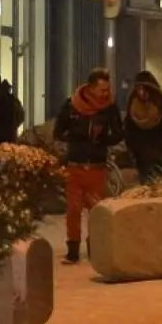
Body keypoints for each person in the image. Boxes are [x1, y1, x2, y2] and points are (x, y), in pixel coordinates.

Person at [52, 68, 124, 264]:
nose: (105, 93)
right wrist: (78, 135)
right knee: (73, 210)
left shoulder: (110, 108)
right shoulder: (72, 106)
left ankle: (96, 249)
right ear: (91, 88)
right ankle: (73, 250)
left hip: (97, 166)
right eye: (102, 89)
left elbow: (119, 133)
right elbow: (58, 132)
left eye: (107, 89)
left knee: (96, 210)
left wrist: (103, 139)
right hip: (75, 164)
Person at [123, 71, 162, 182]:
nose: (141, 92)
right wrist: (134, 153)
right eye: (139, 89)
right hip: (143, 161)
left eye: (145, 89)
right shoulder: (132, 107)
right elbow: (129, 132)